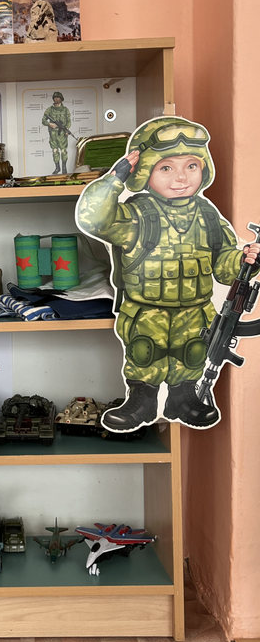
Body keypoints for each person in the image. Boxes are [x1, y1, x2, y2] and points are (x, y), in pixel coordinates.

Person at [77, 116, 260, 432]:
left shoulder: (208, 217)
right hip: (147, 310)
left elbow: (223, 265)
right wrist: (115, 179)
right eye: (166, 168)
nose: (181, 177)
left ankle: (184, 400)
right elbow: (94, 219)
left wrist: (246, 260)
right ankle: (141, 402)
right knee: (144, 354)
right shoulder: (136, 214)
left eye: (192, 165)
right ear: (145, 172)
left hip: (195, 310)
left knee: (192, 355)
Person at [42, 92, 72, 174]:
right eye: (55, 97)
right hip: (53, 135)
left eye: (58, 97)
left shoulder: (65, 109)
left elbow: (69, 121)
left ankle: (64, 169)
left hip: (62, 134)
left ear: (61, 99)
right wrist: (50, 124)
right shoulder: (49, 109)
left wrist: (67, 129)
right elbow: (43, 120)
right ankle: (57, 168)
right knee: (55, 151)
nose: (56, 99)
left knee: (63, 151)